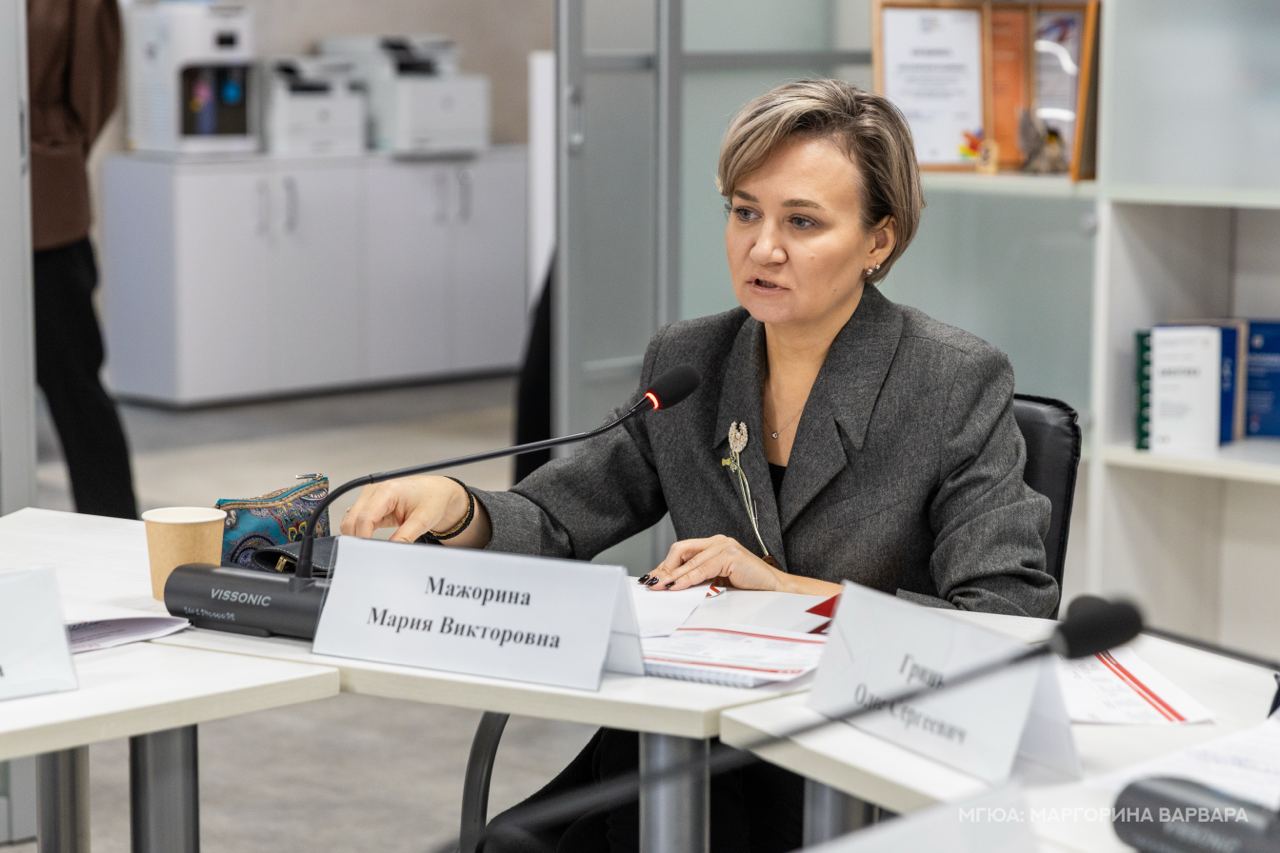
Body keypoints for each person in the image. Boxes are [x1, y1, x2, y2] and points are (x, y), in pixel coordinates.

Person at [343, 79, 1057, 851]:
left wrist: (785, 590)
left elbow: (1004, 622)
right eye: (745, 212)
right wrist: (460, 507)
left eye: (803, 221)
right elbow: (556, 517)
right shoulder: (693, 360)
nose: (763, 247)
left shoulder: (950, 379)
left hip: (860, 754)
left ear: (878, 242)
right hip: (690, 737)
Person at [27, 0, 138, 519]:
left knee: (75, 384)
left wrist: (45, 148)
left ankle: (112, 529)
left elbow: (93, 97)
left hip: (46, 213)